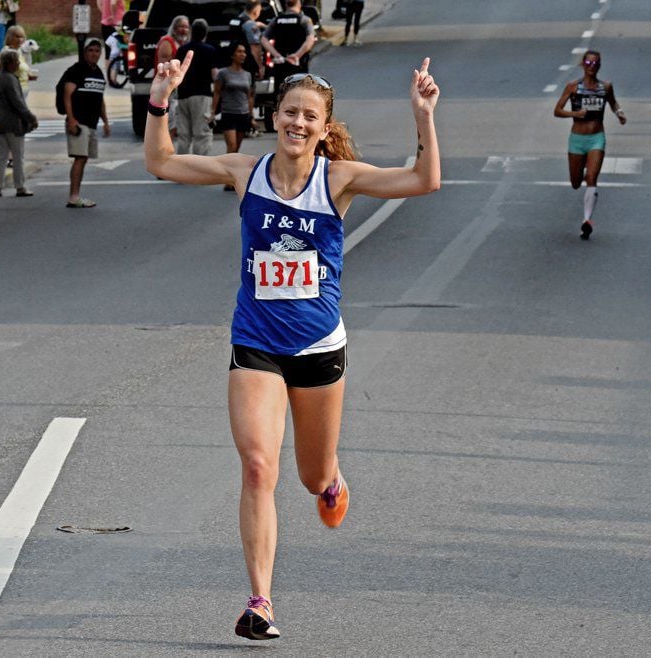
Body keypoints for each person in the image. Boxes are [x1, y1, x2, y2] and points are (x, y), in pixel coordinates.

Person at [145, 50, 440, 640]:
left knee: (310, 477)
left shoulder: (339, 178)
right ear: (272, 116)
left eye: (310, 116)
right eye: (289, 112)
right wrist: (161, 96)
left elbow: (424, 181)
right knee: (258, 467)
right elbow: (161, 161)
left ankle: (332, 480)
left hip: (318, 348)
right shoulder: (242, 172)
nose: (297, 124)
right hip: (255, 342)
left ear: (324, 128)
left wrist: (423, 115)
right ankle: (261, 602)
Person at [554, 50, 626, 240]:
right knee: (576, 182)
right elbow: (557, 110)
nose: (592, 66)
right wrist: (575, 114)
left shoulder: (606, 87)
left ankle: (587, 221)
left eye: (595, 63)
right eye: (588, 62)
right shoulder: (573, 87)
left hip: (597, 138)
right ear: (583, 64)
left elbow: (613, 103)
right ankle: (583, 179)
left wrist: (619, 113)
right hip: (577, 139)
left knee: (592, 177)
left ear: (600, 65)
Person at [62, 37, 110, 208]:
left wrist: (105, 121)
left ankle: (76, 195)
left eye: (97, 51)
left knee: (83, 159)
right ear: (84, 52)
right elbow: (67, 95)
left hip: (91, 122)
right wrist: (72, 119)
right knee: (80, 158)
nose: (94, 54)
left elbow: (100, 98)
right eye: (90, 50)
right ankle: (73, 196)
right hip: (78, 122)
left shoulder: (98, 72)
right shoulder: (77, 70)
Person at [210, 42, 256, 190]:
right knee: (231, 146)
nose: (243, 54)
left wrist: (251, 116)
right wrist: (212, 112)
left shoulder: (247, 75)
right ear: (232, 55)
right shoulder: (223, 73)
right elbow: (217, 93)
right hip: (228, 113)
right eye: (239, 52)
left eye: (244, 52)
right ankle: (228, 180)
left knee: (236, 150)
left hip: (243, 114)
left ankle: (233, 178)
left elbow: (249, 96)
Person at [0, 48, 36, 197]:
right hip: (13, 123)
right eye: (16, 61)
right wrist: (31, 117)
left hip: (0, 121)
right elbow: (17, 103)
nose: (17, 64)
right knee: (18, 155)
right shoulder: (10, 79)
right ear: (10, 63)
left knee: (2, 155)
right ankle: (20, 186)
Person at [175, 18, 217, 156]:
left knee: (183, 134)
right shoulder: (210, 50)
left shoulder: (182, 50)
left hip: (183, 95)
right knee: (202, 134)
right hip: (202, 95)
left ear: (192, 32)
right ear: (205, 33)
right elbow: (214, 75)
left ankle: (181, 167)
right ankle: (199, 167)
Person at [261, 0, 315, 94]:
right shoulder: (304, 20)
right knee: (298, 92)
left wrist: (276, 55)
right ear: (299, 3)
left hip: (280, 64)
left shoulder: (276, 20)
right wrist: (297, 55)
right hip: (298, 65)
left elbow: (263, 39)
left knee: (280, 93)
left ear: (285, 4)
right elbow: (310, 40)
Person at [154, 14, 190, 140]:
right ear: (174, 28)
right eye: (181, 26)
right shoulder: (167, 42)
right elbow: (164, 67)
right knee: (170, 119)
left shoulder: (183, 43)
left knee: (175, 119)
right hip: (168, 87)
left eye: (186, 27)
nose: (184, 30)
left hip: (178, 87)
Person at [234, 0, 265, 81]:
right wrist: (260, 67)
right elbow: (255, 47)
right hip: (247, 65)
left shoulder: (236, 20)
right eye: (259, 11)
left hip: (234, 64)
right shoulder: (250, 25)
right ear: (255, 11)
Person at [2, 24, 36, 98]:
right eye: (17, 37)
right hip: (13, 89)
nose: (20, 39)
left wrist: (28, 75)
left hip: (24, 88)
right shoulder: (7, 51)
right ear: (10, 37)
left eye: (22, 37)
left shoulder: (21, 51)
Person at [96, 0, 125, 67]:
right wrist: (112, 15)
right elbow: (113, 3)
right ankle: (114, 73)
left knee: (107, 50)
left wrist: (105, 14)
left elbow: (99, 3)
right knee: (118, 49)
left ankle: (108, 74)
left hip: (105, 22)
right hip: (116, 23)